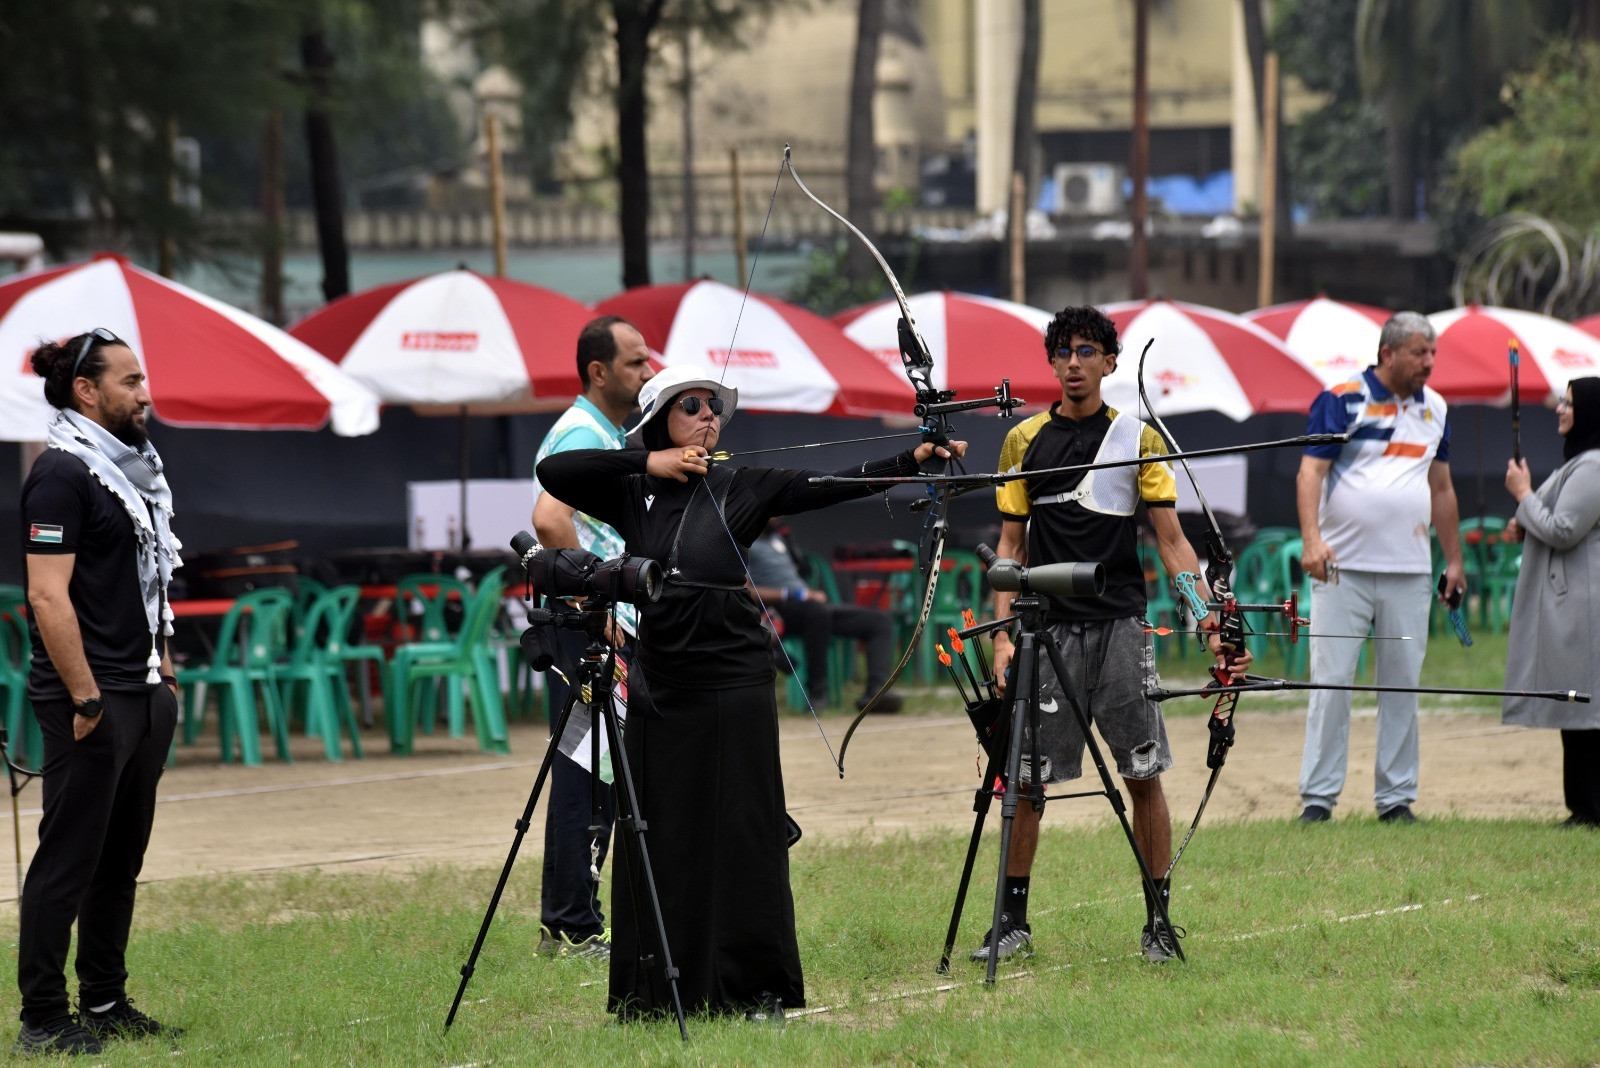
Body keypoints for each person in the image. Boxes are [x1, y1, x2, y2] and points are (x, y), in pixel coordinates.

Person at [536, 363, 964, 1020]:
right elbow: (555, 476)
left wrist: (914, 456)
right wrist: (650, 465)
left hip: (735, 677)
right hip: (661, 684)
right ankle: (655, 991)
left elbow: (829, 484)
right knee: (658, 832)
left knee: (743, 831)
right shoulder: (631, 491)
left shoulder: (741, 484)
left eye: (714, 406)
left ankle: (755, 989)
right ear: (658, 423)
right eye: (691, 406)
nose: (709, 415)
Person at [987, 305, 1249, 966]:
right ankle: (1012, 922)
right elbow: (1010, 545)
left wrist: (1206, 618)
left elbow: (1171, 542)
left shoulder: (1137, 439)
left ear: (1109, 362)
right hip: (1045, 630)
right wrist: (1001, 636)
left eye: (1086, 351)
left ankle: (1159, 920)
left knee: (1143, 774)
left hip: (1121, 629)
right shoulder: (1024, 441)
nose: (1073, 363)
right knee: (1026, 782)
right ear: (1052, 364)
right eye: (1062, 353)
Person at [16, 330, 182, 1055]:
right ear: (87, 391)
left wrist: (164, 673)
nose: (145, 395)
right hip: (89, 700)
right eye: (131, 381)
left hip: (142, 693)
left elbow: (149, 585)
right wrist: (86, 700)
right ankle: (43, 1018)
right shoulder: (61, 473)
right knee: (68, 856)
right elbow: (46, 598)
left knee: (120, 858)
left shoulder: (136, 472)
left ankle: (106, 999)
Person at [1296, 310, 1466, 825]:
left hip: (1410, 571)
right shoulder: (1341, 398)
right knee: (1331, 684)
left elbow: (1442, 488)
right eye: (1420, 353)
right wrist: (1311, 541)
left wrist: (1454, 560)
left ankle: (1396, 799)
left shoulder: (1435, 407)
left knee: (1402, 686)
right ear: (1387, 353)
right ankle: (1318, 800)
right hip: (1341, 571)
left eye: (1432, 353)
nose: (1429, 363)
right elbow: (1310, 473)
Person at [528, 316, 655, 960]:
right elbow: (549, 518)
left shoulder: (605, 433)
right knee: (584, 773)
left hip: (604, 626)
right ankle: (571, 925)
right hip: (588, 632)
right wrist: (589, 601)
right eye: (635, 363)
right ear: (598, 371)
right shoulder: (582, 431)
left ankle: (573, 920)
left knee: (600, 771)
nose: (649, 372)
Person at [1502, 377, 1600, 827]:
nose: (1560, 408)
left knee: (1586, 708)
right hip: (1571, 600)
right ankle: (1581, 807)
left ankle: (1590, 807)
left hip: (1582, 601)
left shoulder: (1594, 465)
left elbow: (1564, 529)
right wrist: (1525, 519)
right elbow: (1549, 520)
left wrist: (1523, 495)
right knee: (1573, 704)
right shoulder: (1578, 463)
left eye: (1570, 402)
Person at [746, 519, 902, 712]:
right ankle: (817, 691)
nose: (778, 517)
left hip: (810, 606)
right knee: (817, 613)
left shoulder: (779, 539)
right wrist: (795, 594)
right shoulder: (744, 544)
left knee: (880, 621)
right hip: (779, 610)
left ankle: (876, 692)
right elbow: (744, 591)